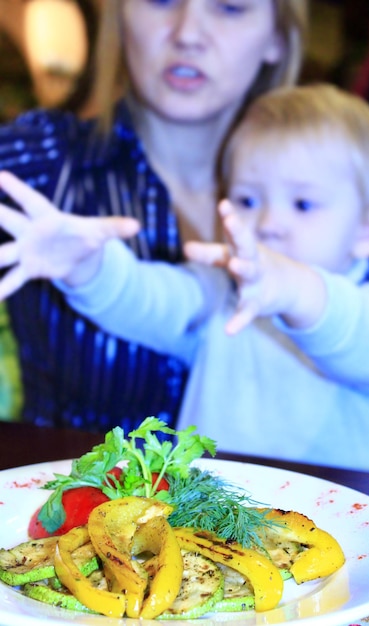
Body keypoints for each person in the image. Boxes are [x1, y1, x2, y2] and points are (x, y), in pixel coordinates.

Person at [1, 83, 369, 474]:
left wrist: (292, 288)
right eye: (248, 199)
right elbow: (147, 298)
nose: (269, 223)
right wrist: (86, 265)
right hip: (210, 527)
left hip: (341, 529)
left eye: (303, 203)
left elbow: (351, 332)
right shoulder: (221, 294)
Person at [0, 0, 308, 431]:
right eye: (161, 0)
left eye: (230, 8)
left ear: (277, 37)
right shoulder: (42, 159)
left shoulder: (321, 189)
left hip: (273, 497)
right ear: (120, 19)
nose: (187, 33)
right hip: (66, 490)